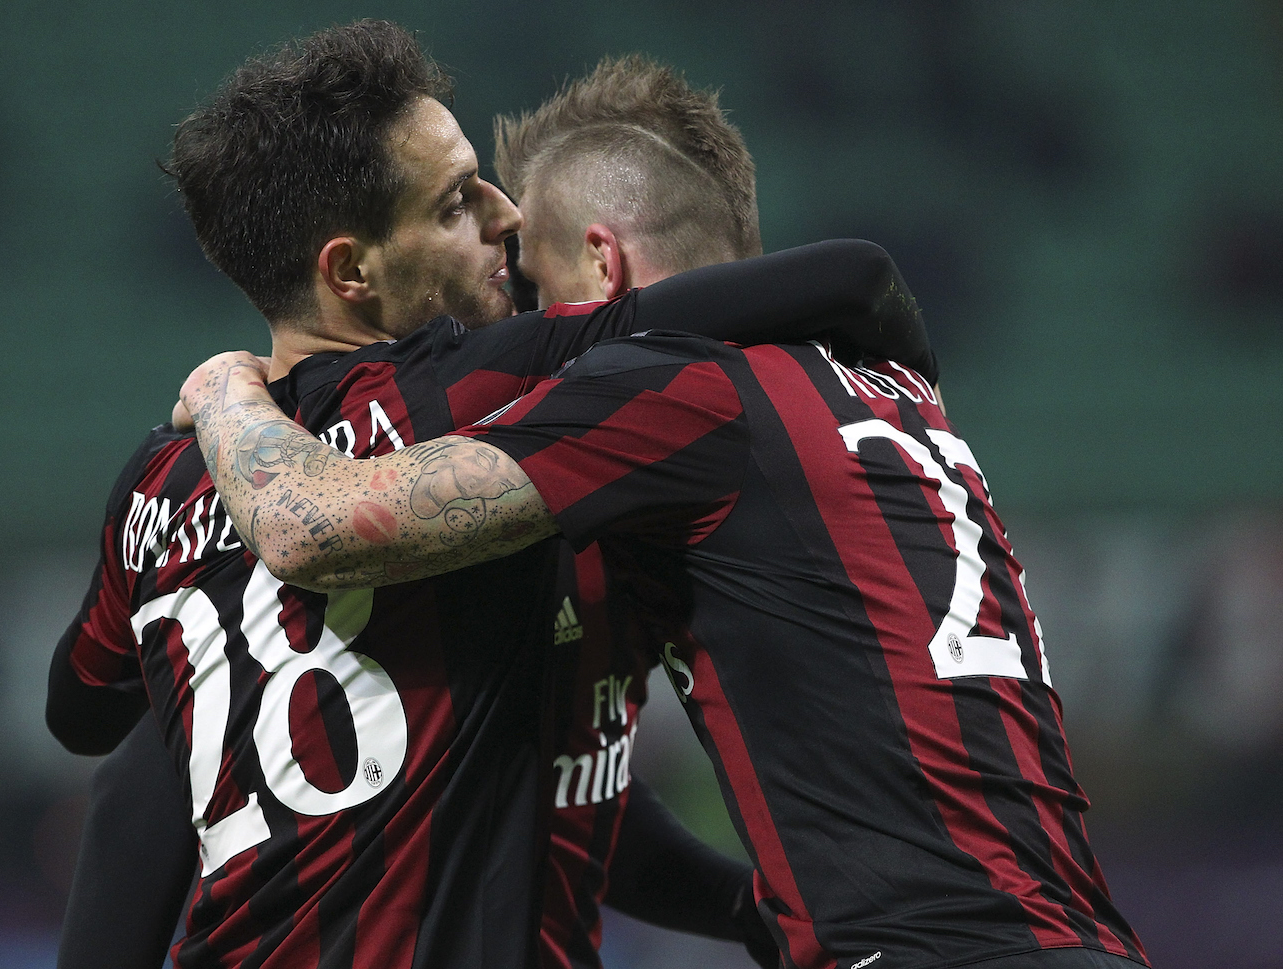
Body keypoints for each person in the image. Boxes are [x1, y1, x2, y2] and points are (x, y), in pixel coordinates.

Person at [174, 106, 1147, 969]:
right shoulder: (892, 392)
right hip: (1079, 934)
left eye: (544, 290)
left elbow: (315, 527)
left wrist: (226, 389)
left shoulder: (675, 389)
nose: (536, 343)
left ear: (606, 263)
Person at [48, 22, 932, 969]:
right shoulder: (467, 394)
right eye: (457, 203)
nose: (506, 218)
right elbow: (827, 280)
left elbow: (86, 715)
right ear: (352, 271)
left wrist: (226, 387)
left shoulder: (157, 477)